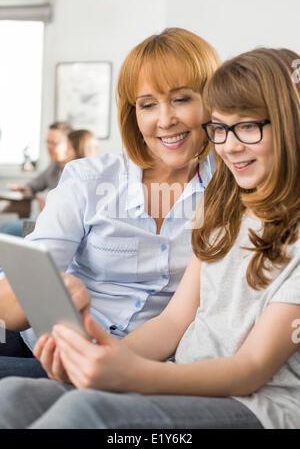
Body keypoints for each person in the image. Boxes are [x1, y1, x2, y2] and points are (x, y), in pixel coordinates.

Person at [0, 46, 299, 430]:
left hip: (257, 402)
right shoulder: (224, 208)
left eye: (247, 126)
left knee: (85, 413)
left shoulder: (223, 195)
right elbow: (175, 321)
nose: (230, 145)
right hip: (176, 374)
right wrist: (107, 360)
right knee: (13, 397)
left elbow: (250, 370)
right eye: (221, 129)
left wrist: (130, 373)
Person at [0, 28, 219, 378]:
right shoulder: (88, 179)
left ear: (212, 101)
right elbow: (12, 307)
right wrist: (46, 291)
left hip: (131, 357)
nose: (165, 120)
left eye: (181, 99)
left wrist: (102, 363)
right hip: (44, 340)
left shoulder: (229, 189)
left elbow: (177, 320)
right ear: (133, 114)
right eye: (148, 105)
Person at [0, 122, 73, 237]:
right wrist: (25, 188)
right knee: (7, 228)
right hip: (47, 224)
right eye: (47, 143)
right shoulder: (54, 166)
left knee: (7, 229)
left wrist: (49, 209)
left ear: (69, 144)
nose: (49, 147)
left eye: (54, 143)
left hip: (58, 230)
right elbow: (36, 184)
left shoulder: (77, 172)